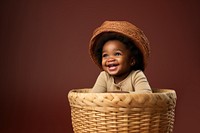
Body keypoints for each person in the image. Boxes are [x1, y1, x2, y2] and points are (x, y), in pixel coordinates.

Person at [89, 21, 152, 93]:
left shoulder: (136, 75)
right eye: (105, 55)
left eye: (117, 54)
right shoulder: (104, 76)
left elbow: (146, 95)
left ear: (132, 61)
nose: (110, 59)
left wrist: (121, 95)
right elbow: (94, 96)